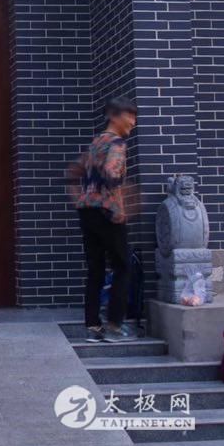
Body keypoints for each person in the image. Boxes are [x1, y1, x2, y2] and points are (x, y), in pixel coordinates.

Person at [69, 96, 138, 344]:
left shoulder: (96, 142)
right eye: (130, 116)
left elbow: (74, 171)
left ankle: (93, 326)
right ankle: (115, 326)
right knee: (122, 266)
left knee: (95, 269)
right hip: (108, 211)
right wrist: (118, 205)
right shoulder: (117, 143)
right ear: (114, 116)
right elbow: (111, 173)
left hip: (86, 210)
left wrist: (81, 196)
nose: (133, 122)